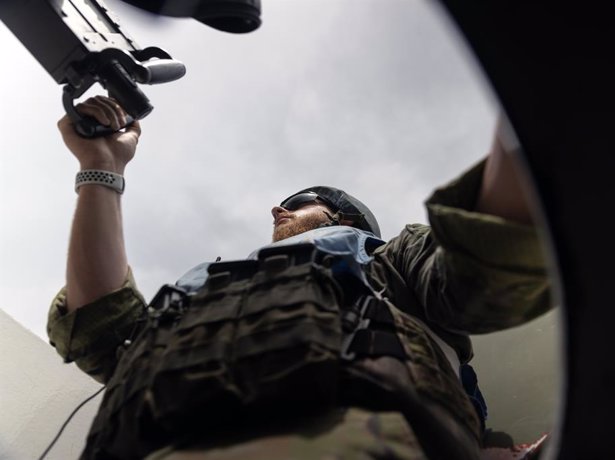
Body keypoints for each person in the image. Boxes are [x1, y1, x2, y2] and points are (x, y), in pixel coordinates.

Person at [47, 96, 552, 460]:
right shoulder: (198, 288)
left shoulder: (387, 257)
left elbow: (482, 278)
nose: (276, 208)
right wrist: (101, 166)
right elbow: (101, 328)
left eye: (296, 202)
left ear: (344, 220)